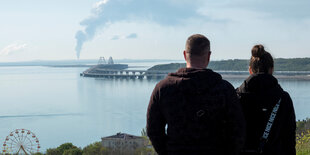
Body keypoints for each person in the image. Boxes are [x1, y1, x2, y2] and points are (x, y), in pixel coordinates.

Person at [147, 34, 245, 155]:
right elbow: (238, 132)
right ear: (209, 56)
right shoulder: (224, 90)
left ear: (184, 54)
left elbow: (153, 130)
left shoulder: (163, 89)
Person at [236, 45, 296, 155]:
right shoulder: (283, 99)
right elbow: (289, 139)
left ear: (250, 70)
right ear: (271, 69)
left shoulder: (236, 97)